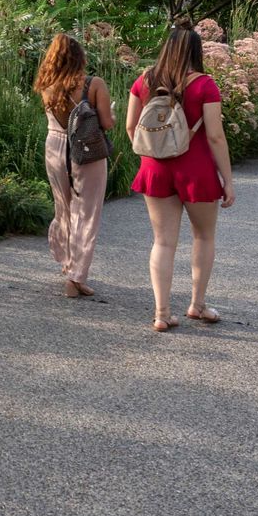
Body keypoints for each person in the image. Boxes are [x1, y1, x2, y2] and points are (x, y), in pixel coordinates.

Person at [125, 25, 236, 332]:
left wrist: (155, 155)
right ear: (197, 52)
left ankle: (161, 314)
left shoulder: (144, 81)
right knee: (203, 236)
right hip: (196, 169)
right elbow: (215, 136)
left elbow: (131, 128)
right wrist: (227, 179)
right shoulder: (204, 85)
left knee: (163, 241)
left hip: (155, 169)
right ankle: (197, 305)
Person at [33, 33, 114, 298]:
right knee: (87, 213)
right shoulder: (93, 84)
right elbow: (107, 123)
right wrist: (110, 112)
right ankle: (76, 277)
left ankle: (68, 265)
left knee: (64, 208)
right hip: (87, 149)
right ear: (80, 57)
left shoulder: (47, 86)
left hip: (55, 147)